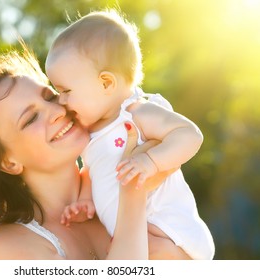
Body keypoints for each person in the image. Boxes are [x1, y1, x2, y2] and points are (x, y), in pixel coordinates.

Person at [0, 43, 191, 259]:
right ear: (7, 162)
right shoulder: (8, 247)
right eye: (30, 119)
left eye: (49, 96)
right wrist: (132, 188)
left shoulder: (112, 182)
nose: (57, 111)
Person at [45, 9, 215, 259]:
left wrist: (151, 161)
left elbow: (189, 135)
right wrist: (86, 202)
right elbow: (94, 171)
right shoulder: (90, 133)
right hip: (133, 235)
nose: (61, 101)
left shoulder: (137, 113)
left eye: (66, 90)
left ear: (106, 83)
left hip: (166, 231)